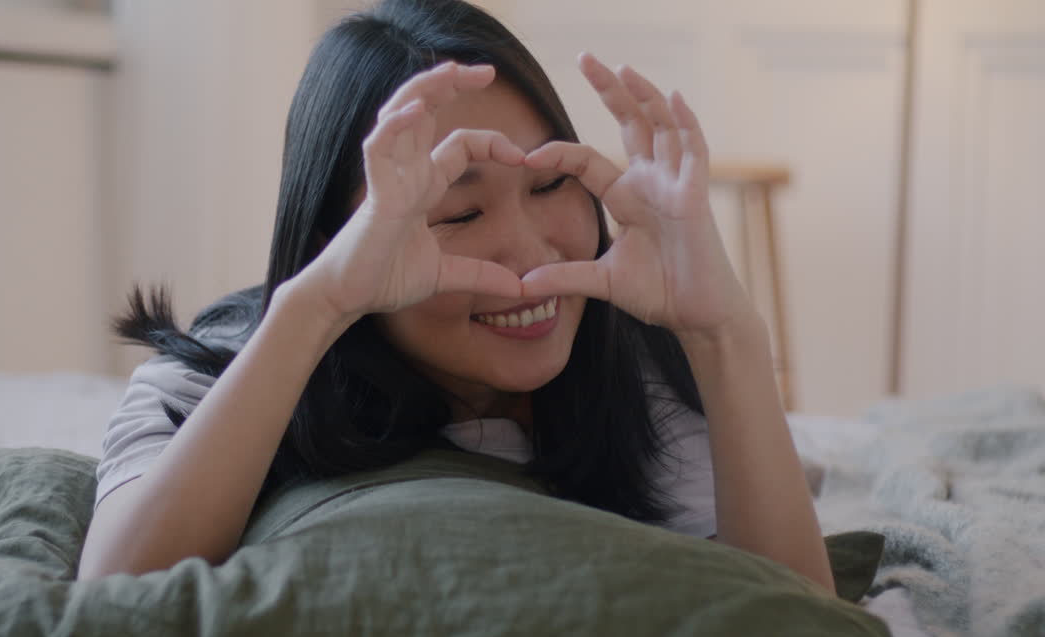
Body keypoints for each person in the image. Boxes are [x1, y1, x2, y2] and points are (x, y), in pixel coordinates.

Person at [78, 0, 834, 594]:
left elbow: (798, 635)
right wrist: (318, 307)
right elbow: (114, 593)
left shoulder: (643, 379)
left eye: (550, 184)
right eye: (459, 214)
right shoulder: (219, 375)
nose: (532, 259)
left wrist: (725, 333)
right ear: (334, 239)